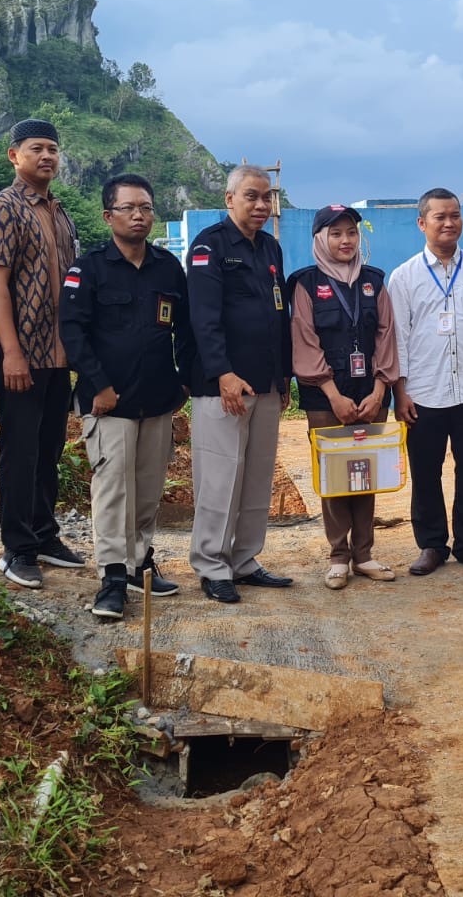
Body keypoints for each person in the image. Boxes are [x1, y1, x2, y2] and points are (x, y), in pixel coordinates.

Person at [60, 174, 188, 621]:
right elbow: (72, 332)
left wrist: (183, 383)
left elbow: (184, 331)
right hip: (107, 401)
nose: (139, 215)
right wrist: (98, 384)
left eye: (146, 208)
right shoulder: (89, 268)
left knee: (149, 489)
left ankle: (139, 562)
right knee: (113, 489)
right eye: (129, 208)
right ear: (107, 215)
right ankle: (112, 577)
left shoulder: (168, 268)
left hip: (156, 398)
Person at [0, 119, 84, 590]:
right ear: (13, 155)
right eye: (37, 148)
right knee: (20, 451)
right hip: (19, 354)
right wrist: (12, 352)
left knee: (48, 448)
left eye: (54, 150)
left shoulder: (59, 213)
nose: (47, 157)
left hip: (57, 354)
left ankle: (43, 534)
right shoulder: (0, 209)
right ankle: (17, 548)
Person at [388, 188, 463, 576]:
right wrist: (400, 390)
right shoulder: (404, 277)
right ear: (422, 223)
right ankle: (432, 546)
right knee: (426, 473)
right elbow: (398, 339)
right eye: (440, 216)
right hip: (423, 392)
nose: (449, 223)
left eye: (455, 215)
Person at [186, 164, 293, 603]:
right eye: (252, 196)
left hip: (266, 383)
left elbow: (279, 314)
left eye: (267, 197)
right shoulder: (209, 245)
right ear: (230, 199)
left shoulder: (270, 247)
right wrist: (223, 373)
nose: (262, 205)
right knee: (219, 477)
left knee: (256, 477)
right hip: (224, 386)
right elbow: (203, 317)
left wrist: (283, 378)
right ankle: (212, 565)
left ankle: (245, 561)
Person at [290, 205, 402, 589]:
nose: (345, 241)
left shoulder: (375, 281)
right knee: (335, 473)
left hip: (371, 394)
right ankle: (338, 556)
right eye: (335, 234)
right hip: (326, 397)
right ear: (320, 239)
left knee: (366, 472)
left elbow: (386, 335)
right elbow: (304, 340)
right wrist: (332, 394)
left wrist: (380, 389)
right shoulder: (304, 284)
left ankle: (365, 553)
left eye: (351, 233)